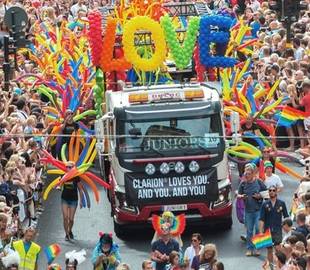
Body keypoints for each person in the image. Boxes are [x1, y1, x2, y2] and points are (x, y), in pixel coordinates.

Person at [237, 163, 267, 256]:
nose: (247, 175)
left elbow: (266, 193)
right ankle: (249, 249)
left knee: (258, 229)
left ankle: (258, 249)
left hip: (258, 210)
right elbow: (237, 194)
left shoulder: (258, 182)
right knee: (249, 231)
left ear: (253, 173)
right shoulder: (243, 183)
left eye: (249, 173)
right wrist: (241, 196)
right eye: (246, 173)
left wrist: (259, 196)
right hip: (248, 210)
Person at [259, 185, 289, 265]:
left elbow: (286, 217)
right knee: (269, 250)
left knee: (278, 249)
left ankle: (279, 266)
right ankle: (271, 266)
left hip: (278, 230)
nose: (272, 192)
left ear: (276, 192)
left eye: (273, 190)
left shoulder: (281, 203)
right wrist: (261, 232)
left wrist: (287, 229)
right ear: (268, 192)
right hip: (267, 230)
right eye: (270, 190)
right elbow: (261, 219)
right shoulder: (264, 204)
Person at [61, 161, 79, 241]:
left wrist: (82, 200)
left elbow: (81, 189)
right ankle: (67, 234)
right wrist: (58, 186)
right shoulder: (63, 175)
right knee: (65, 218)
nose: (68, 168)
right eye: (67, 167)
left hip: (73, 200)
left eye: (70, 167)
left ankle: (70, 230)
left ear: (73, 168)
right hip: (64, 199)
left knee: (71, 219)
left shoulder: (76, 177)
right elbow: (59, 184)